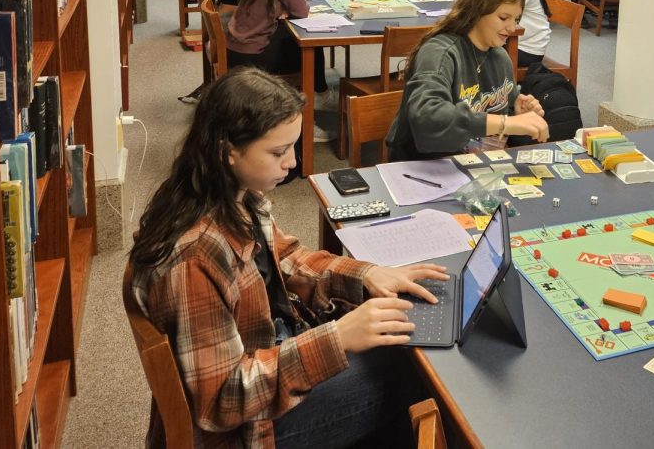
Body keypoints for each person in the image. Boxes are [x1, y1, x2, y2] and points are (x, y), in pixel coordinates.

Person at [129, 68, 448, 449]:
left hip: (268, 353)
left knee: (395, 341)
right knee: (413, 373)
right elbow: (222, 402)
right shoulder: (194, 257)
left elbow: (288, 259)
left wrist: (366, 275)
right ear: (227, 149)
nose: (293, 163)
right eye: (278, 152)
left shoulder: (233, 194)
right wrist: (337, 339)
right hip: (247, 430)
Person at [386, 0, 549, 159]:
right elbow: (426, 116)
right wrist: (505, 122)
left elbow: (496, 110)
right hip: (425, 164)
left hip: (474, 164)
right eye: (504, 18)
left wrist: (516, 111)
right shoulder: (441, 52)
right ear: (477, 11)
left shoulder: (500, 57)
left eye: (517, 19)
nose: (512, 28)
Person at [226, 0, 336, 139]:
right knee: (311, 45)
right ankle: (309, 120)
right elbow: (301, 11)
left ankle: (319, 94)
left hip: (238, 43)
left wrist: (282, 7)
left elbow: (273, 4)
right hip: (254, 51)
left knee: (304, 40)